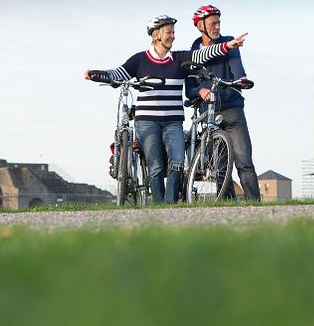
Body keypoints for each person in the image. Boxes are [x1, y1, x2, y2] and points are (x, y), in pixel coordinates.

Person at [85, 15, 247, 203]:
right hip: (147, 122)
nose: (173, 36)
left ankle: (170, 205)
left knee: (177, 163)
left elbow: (203, 54)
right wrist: (97, 74)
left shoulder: (179, 59)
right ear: (156, 35)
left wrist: (227, 46)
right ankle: (159, 207)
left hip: (173, 122)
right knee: (155, 166)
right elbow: (118, 73)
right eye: (169, 32)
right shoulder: (140, 60)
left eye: (173, 32)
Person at [186, 5, 261, 201]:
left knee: (244, 163)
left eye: (219, 22)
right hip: (209, 113)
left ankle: (256, 206)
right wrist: (199, 90)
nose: (217, 26)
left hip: (232, 110)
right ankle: (226, 208)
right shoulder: (192, 53)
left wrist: (241, 79)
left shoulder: (229, 43)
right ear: (200, 26)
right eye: (213, 23)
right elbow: (189, 88)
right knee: (219, 169)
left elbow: (237, 67)